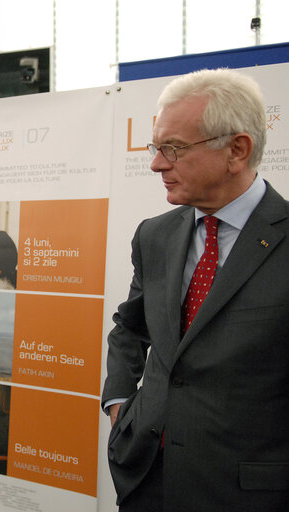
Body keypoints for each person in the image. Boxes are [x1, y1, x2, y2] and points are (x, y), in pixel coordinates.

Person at [102, 68, 289, 512]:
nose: (156, 163)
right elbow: (130, 327)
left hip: (246, 492)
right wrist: (120, 406)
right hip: (145, 477)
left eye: (174, 149)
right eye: (156, 148)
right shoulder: (155, 235)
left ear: (236, 150)